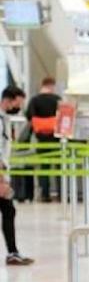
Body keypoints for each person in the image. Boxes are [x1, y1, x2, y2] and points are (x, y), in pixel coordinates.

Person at [0, 87, 34, 265]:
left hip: (3, 171)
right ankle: (12, 252)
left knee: (8, 210)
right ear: (9, 100)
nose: (19, 107)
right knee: (8, 210)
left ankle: (13, 252)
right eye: (18, 103)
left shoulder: (4, 118)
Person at [24, 77, 61, 202]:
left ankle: (45, 194)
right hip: (56, 138)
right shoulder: (57, 100)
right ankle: (61, 193)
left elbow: (29, 115)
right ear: (51, 85)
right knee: (59, 166)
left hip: (41, 138)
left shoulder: (34, 100)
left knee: (44, 167)